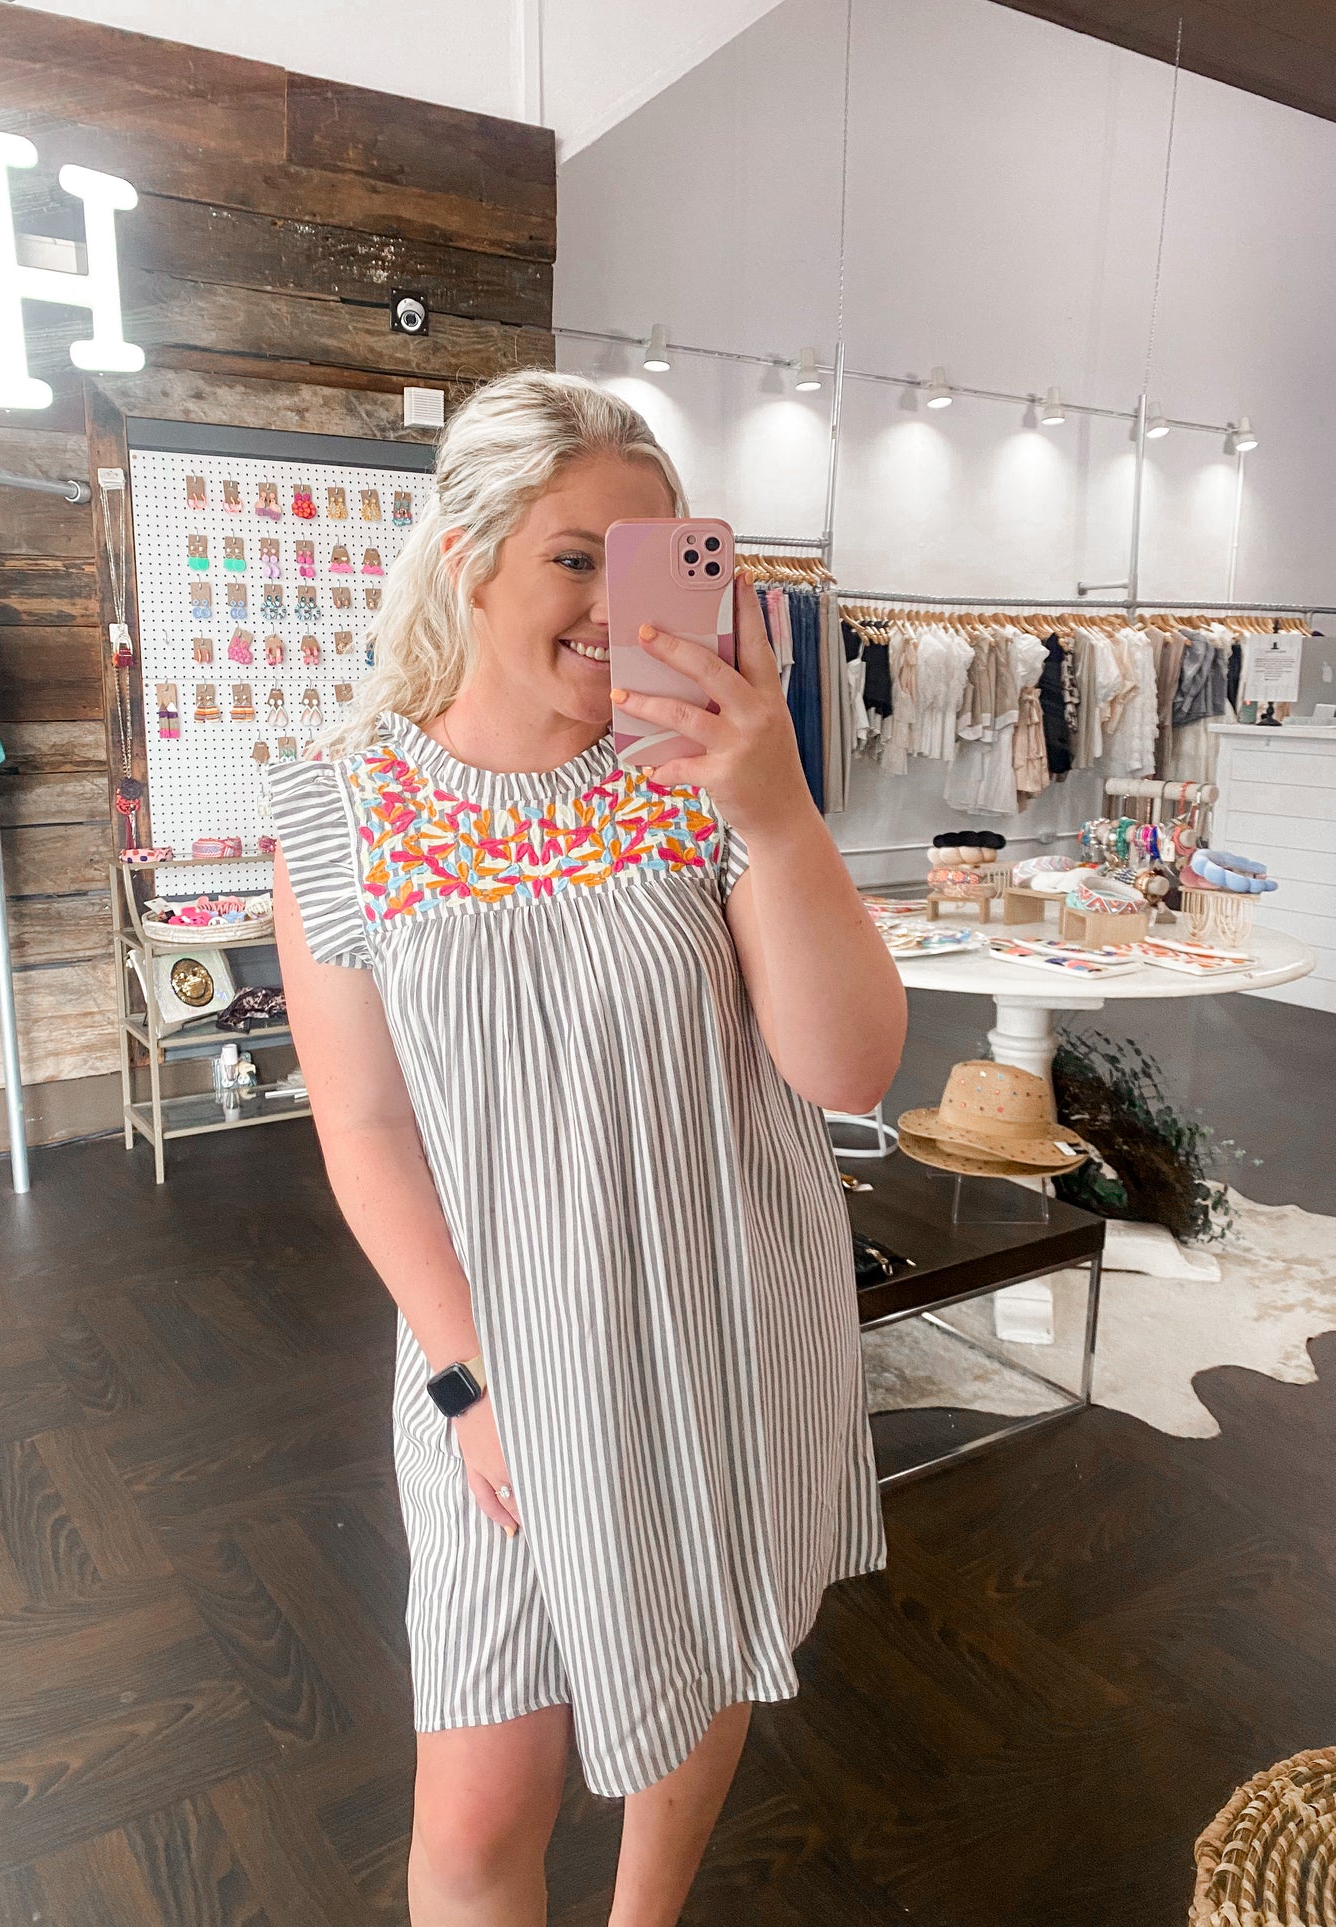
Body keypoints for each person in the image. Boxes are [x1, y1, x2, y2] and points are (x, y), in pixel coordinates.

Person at [269, 368, 907, 1927]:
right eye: (575, 558)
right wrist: (468, 1382)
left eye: (648, 563)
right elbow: (364, 1128)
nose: (615, 609)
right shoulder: (338, 808)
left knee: (697, 1669)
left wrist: (773, 809)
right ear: (466, 553)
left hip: (721, 1324)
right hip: (497, 1355)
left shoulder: (706, 780)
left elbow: (846, 1066)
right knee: (479, 1808)